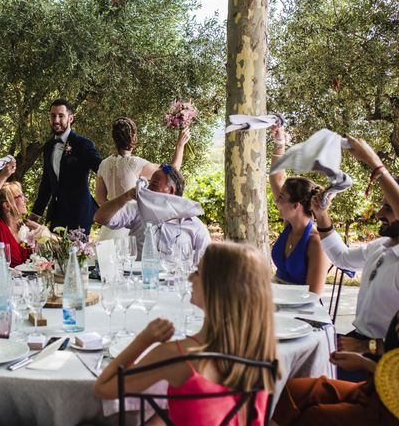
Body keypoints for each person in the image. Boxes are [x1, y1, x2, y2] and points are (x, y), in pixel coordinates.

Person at [93, 242, 278, 425]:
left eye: (197, 272)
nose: (190, 278)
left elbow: (103, 387)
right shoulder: (263, 355)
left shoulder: (177, 356)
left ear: (215, 289)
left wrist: (143, 340)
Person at [311, 136, 399, 360]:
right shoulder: (381, 246)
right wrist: (322, 217)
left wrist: (372, 160)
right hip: (356, 340)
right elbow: (341, 257)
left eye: (388, 209)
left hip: (384, 358)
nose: (379, 214)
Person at [272, 310, 399, 425]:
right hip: (373, 390)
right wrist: (365, 353)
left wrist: (364, 364)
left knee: (313, 417)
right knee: (291, 390)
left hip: (389, 414)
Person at [95, 117, 190, 240]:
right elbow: (171, 172)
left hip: (110, 225)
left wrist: (114, 208)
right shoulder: (134, 163)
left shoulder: (104, 164)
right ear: (134, 137)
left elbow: (100, 199)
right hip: (131, 224)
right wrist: (180, 145)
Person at [94, 164, 211, 264]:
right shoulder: (136, 209)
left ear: (170, 191)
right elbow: (100, 218)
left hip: (175, 287)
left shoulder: (195, 226)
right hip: (140, 284)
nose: (148, 189)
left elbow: (205, 266)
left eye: (153, 186)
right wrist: (125, 196)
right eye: (149, 185)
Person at [270, 125, 330, 294]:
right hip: (277, 302)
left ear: (296, 206)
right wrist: (279, 143)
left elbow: (313, 297)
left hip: (301, 313)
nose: (277, 201)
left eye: (281, 198)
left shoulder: (316, 242)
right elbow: (276, 177)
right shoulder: (289, 225)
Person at [31, 98, 102, 233]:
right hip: (56, 214)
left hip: (79, 215)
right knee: (54, 253)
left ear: (70, 118)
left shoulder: (83, 144)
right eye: (53, 116)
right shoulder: (48, 147)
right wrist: (36, 213)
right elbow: (47, 183)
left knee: (77, 254)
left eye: (61, 116)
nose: (56, 120)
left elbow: (101, 169)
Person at [0, 158, 36, 267]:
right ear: (7, 206)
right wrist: (3, 176)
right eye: (20, 197)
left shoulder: (26, 229)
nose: (25, 200)